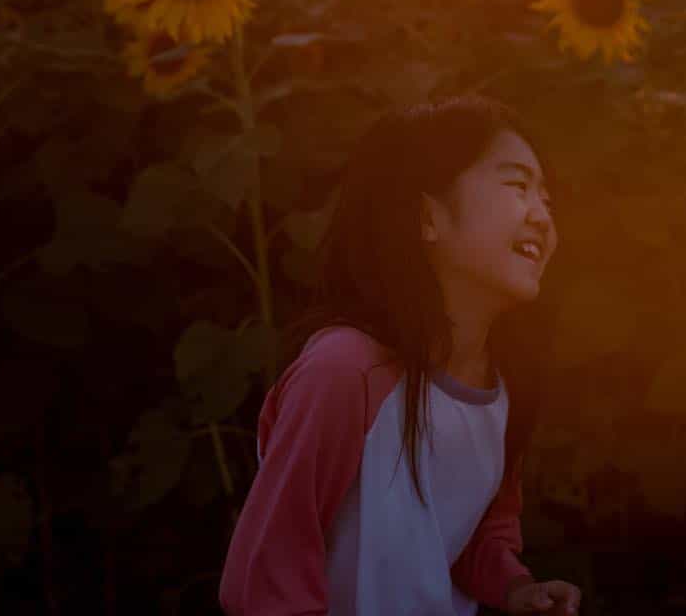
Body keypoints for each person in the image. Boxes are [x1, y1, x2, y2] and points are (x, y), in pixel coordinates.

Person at [220, 96, 582, 616]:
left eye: (547, 200)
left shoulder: (505, 382)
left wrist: (516, 588)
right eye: (518, 187)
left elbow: (467, 532)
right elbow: (266, 575)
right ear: (426, 217)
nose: (543, 216)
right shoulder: (345, 372)